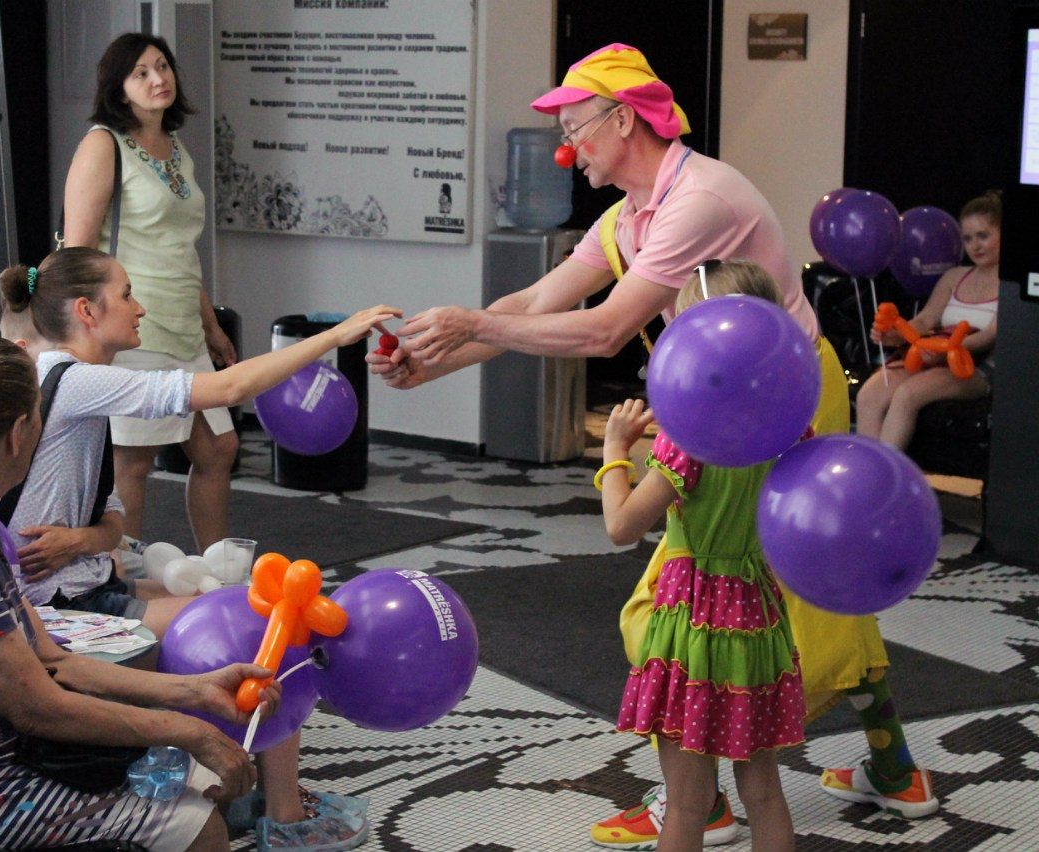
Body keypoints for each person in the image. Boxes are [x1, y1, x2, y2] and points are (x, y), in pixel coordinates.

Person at [368, 42, 937, 846]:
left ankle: (722, 788)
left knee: (811, 586)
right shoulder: (629, 215)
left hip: (782, 392)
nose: (568, 151)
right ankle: (775, 778)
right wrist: (434, 360)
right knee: (728, 599)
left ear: (624, 121)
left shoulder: (698, 200)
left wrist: (469, 328)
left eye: (576, 130)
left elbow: (605, 330)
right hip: (715, 395)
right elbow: (535, 301)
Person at [0, 246, 393, 850]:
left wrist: (83, 537)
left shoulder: (68, 381)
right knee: (264, 628)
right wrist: (335, 337)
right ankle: (285, 816)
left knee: (245, 600)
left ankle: (241, 783)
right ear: (86, 311)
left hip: (86, 581)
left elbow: (113, 521)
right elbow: (228, 386)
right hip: (61, 609)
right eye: (126, 294)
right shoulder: (73, 380)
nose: (140, 308)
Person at [0, 333, 279, 851]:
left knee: (187, 780)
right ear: (19, 433)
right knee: (196, 827)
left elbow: (51, 661)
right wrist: (189, 731)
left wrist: (196, 691)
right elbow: (37, 707)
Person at [602, 262, 802, 851]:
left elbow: (621, 526)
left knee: (687, 803)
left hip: (691, 620)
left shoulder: (689, 436)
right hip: (757, 617)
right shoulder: (789, 425)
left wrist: (614, 451)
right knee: (765, 793)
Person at [64, 32, 236, 552]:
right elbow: (78, 250)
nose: (158, 79)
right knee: (133, 464)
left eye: (162, 66)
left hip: (183, 324)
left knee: (218, 449)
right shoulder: (103, 144)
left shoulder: (177, 147)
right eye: (140, 72)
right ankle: (121, 577)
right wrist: (88, 335)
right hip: (133, 328)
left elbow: (178, 248)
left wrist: (210, 326)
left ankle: (219, 571)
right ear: (118, 88)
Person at [855, 191, 1000, 449]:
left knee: (907, 395)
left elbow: (990, 336)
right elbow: (923, 322)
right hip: (934, 356)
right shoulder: (955, 276)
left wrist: (945, 349)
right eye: (967, 238)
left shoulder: (1011, 287)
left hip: (975, 368)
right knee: (870, 394)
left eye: (983, 236)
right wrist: (897, 335)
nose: (975, 246)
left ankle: (887, 471)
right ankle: (869, 467)